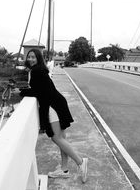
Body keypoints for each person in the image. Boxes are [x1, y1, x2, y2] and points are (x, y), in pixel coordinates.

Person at [20, 49, 88, 183]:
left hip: (53, 107)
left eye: (34, 57)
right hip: (58, 103)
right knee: (61, 138)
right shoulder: (40, 70)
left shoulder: (36, 71)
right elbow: (39, 90)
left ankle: (80, 162)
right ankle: (64, 170)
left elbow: (40, 94)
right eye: (29, 57)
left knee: (56, 138)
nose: (31, 59)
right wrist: (23, 90)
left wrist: (21, 92)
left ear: (39, 58)